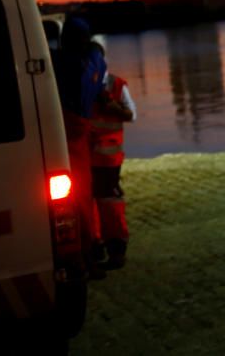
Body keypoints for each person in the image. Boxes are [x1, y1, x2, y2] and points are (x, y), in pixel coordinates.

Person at [51, 17, 107, 280]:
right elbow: (97, 58)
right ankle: (85, 257)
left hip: (61, 134)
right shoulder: (92, 64)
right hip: (77, 136)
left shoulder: (61, 63)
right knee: (81, 199)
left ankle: (79, 259)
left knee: (71, 201)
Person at [88, 35, 136, 271]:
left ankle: (115, 249)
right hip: (85, 158)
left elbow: (131, 114)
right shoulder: (79, 84)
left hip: (107, 159)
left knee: (108, 202)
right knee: (89, 203)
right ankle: (95, 248)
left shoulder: (116, 85)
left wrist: (112, 106)